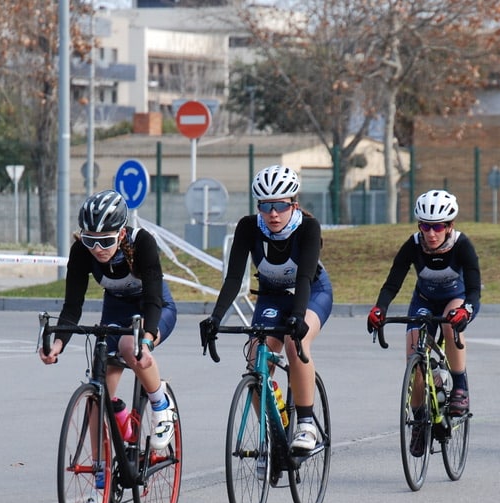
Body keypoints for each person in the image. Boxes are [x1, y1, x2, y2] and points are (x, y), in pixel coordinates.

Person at [199, 165, 332, 453]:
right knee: (255, 360)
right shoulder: (249, 227)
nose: (273, 214)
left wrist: (297, 319)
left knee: (296, 345)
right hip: (272, 296)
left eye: (281, 206)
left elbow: (305, 277)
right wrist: (216, 317)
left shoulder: (308, 227)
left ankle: (306, 424)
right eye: (266, 206)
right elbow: (234, 278)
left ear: (293, 205)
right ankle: (273, 432)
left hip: (310, 293)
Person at [39, 189, 178, 451]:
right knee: (97, 397)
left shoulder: (142, 242)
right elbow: (72, 306)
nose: (97, 249)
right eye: (90, 240)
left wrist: (146, 340)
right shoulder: (81, 251)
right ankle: (101, 477)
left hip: (154, 307)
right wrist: (58, 344)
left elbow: (152, 298)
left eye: (105, 241)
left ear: (122, 234)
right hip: (116, 310)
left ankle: (161, 405)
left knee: (130, 347)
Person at [366, 190, 481, 456]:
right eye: (425, 226)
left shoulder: (462, 245)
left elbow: (474, 288)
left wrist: (467, 309)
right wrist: (379, 308)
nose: (431, 233)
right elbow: (393, 281)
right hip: (425, 301)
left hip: (457, 299)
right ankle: (419, 422)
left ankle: (459, 386)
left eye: (438, 226)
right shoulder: (413, 244)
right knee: (413, 358)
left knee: (451, 324)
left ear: (449, 226)